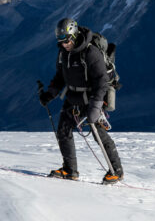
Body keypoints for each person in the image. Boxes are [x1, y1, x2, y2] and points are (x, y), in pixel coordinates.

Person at [39, 18, 124, 184]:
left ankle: (116, 171)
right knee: (63, 130)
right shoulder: (64, 54)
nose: (64, 44)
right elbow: (60, 77)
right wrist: (50, 94)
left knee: (98, 133)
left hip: (91, 99)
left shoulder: (90, 52)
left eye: (66, 40)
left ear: (74, 35)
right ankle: (70, 170)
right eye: (61, 41)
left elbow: (102, 81)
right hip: (73, 97)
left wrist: (96, 106)